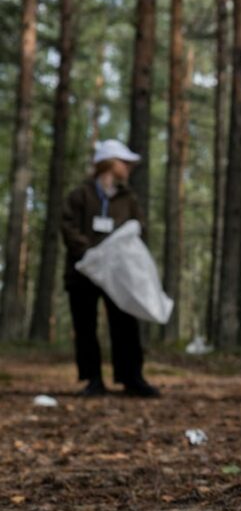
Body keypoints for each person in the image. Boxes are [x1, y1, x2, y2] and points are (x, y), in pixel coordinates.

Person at [60, 140, 159, 397]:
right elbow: (68, 226)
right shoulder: (81, 194)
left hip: (118, 273)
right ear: (109, 163)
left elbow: (139, 227)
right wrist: (87, 252)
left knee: (125, 323)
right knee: (85, 326)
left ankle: (131, 377)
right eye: (124, 162)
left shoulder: (128, 198)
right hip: (83, 271)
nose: (128, 168)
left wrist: (123, 244)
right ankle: (92, 378)